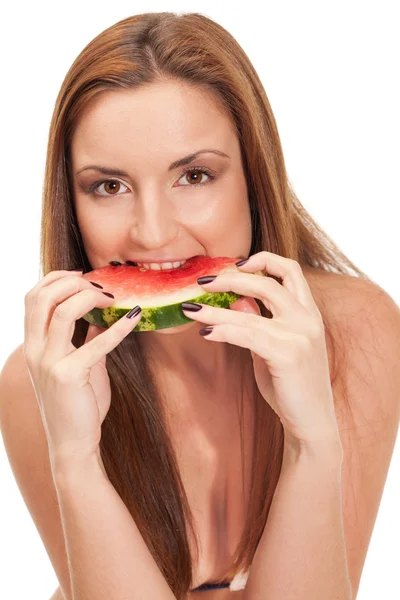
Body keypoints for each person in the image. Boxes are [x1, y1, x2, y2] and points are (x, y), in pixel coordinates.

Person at [0, 11, 399, 600]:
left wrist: (312, 442)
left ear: (253, 178)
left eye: (193, 175)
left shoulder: (357, 333)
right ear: (71, 200)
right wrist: (77, 461)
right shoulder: (44, 380)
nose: (154, 234)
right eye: (109, 186)